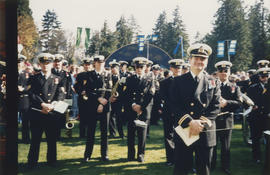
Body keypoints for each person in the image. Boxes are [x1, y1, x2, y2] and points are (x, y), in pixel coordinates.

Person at [169, 43, 221, 175]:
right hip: (185, 130)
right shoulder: (178, 81)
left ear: (207, 61)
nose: (199, 61)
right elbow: (173, 105)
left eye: (202, 59)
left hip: (205, 131)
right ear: (190, 60)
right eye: (196, 58)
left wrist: (200, 123)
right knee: (181, 168)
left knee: (204, 169)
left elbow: (215, 106)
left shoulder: (213, 81)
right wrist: (191, 122)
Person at [27, 53, 65, 169]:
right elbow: (31, 94)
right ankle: (32, 162)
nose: (45, 66)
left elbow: (61, 94)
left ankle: (52, 161)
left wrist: (52, 105)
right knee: (35, 139)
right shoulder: (34, 78)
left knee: (51, 139)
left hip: (51, 113)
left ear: (52, 64)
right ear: (39, 64)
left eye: (47, 63)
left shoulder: (57, 79)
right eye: (43, 63)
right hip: (38, 112)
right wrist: (42, 104)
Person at [211, 61, 242, 175]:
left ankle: (225, 166)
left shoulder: (234, 87)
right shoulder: (212, 85)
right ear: (217, 72)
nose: (223, 73)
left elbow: (239, 103)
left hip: (226, 120)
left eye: (226, 71)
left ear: (229, 72)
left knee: (225, 146)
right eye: (221, 71)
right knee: (212, 144)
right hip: (213, 120)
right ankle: (211, 164)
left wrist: (227, 103)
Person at [122, 57, 154, 162]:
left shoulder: (150, 79)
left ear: (145, 67)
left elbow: (150, 94)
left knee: (142, 134)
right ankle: (130, 154)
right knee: (131, 133)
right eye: (137, 67)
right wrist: (133, 104)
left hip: (143, 110)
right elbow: (126, 94)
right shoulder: (129, 79)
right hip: (132, 109)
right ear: (134, 67)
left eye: (141, 67)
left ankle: (141, 154)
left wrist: (141, 107)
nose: (139, 69)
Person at [83, 55, 111, 162]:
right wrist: (99, 99)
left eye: (102, 62)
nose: (100, 64)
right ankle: (87, 154)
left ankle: (104, 154)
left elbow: (110, 90)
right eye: (98, 62)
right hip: (92, 106)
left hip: (105, 106)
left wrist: (103, 103)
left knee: (105, 132)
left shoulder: (108, 74)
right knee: (90, 132)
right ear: (94, 63)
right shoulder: (89, 74)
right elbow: (88, 91)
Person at [159, 58, 183, 166]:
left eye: (179, 68)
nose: (177, 70)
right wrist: (174, 109)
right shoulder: (164, 82)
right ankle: (170, 159)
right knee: (169, 135)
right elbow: (165, 98)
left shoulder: (186, 81)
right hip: (168, 111)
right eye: (175, 68)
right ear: (171, 68)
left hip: (183, 113)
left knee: (183, 135)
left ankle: (182, 158)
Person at [247, 67, 270, 164]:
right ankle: (256, 157)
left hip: (267, 117)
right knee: (256, 138)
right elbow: (246, 101)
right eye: (263, 77)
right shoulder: (253, 88)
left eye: (267, 76)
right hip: (256, 117)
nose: (265, 79)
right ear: (259, 77)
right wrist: (251, 106)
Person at [74, 57, 93, 138]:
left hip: (92, 98)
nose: (87, 66)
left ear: (91, 65)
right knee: (82, 117)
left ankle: (90, 134)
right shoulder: (80, 75)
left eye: (88, 65)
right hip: (81, 98)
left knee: (91, 117)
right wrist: (80, 91)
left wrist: (88, 92)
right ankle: (82, 134)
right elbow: (76, 86)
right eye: (85, 65)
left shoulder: (93, 74)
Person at [108, 59, 124, 138]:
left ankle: (121, 134)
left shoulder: (123, 77)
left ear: (118, 68)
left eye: (114, 68)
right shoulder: (108, 77)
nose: (112, 70)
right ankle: (112, 133)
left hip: (119, 100)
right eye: (111, 68)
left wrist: (117, 97)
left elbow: (125, 89)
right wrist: (110, 97)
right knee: (111, 117)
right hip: (110, 99)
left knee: (119, 117)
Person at [18, 54, 31, 144]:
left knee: (25, 121)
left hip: (24, 99)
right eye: (17, 62)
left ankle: (25, 139)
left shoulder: (27, 74)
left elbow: (31, 85)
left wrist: (24, 89)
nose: (19, 64)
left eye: (20, 62)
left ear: (23, 63)